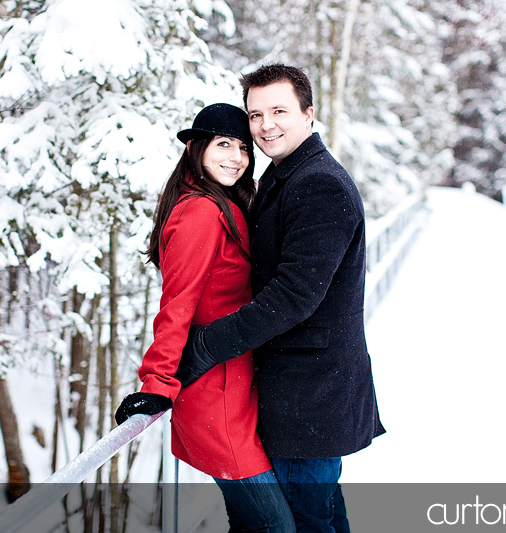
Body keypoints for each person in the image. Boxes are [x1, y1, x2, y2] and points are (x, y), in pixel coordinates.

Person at [175, 64, 386, 531]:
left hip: (306, 400)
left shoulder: (319, 185)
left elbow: (293, 297)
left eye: (279, 111)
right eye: (256, 115)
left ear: (308, 113)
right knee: (321, 518)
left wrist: (207, 345)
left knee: (305, 521)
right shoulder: (285, 175)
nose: (266, 125)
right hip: (297, 399)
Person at [115, 103, 296, 533]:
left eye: (243, 148)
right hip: (215, 397)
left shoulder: (223, 204)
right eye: (223, 144)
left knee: (249, 523)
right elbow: (177, 305)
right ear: (198, 148)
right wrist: (157, 383)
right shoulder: (201, 212)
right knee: (277, 527)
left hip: (234, 389)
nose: (236, 157)